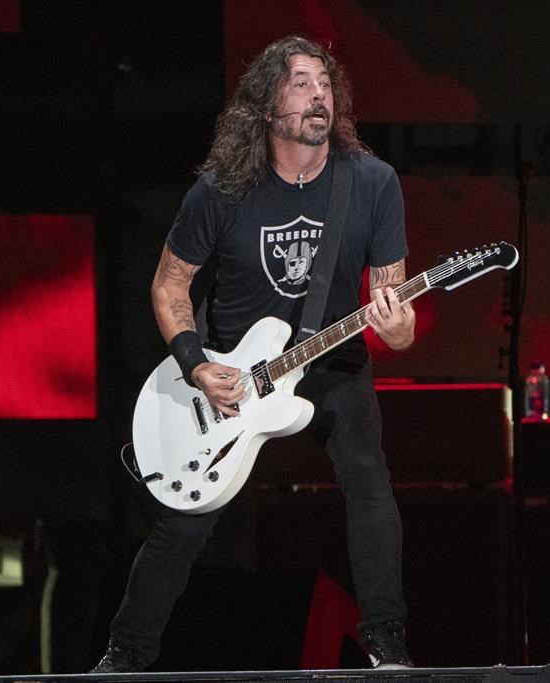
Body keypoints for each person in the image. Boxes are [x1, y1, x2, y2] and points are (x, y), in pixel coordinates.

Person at [91, 36, 417, 672]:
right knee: (186, 517)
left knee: (368, 478)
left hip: (332, 361)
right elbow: (169, 284)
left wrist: (396, 323)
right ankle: (125, 657)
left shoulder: (373, 183)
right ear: (268, 106)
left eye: (324, 82)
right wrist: (195, 365)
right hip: (232, 372)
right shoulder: (223, 189)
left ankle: (386, 639)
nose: (318, 93)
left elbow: (395, 320)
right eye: (300, 82)